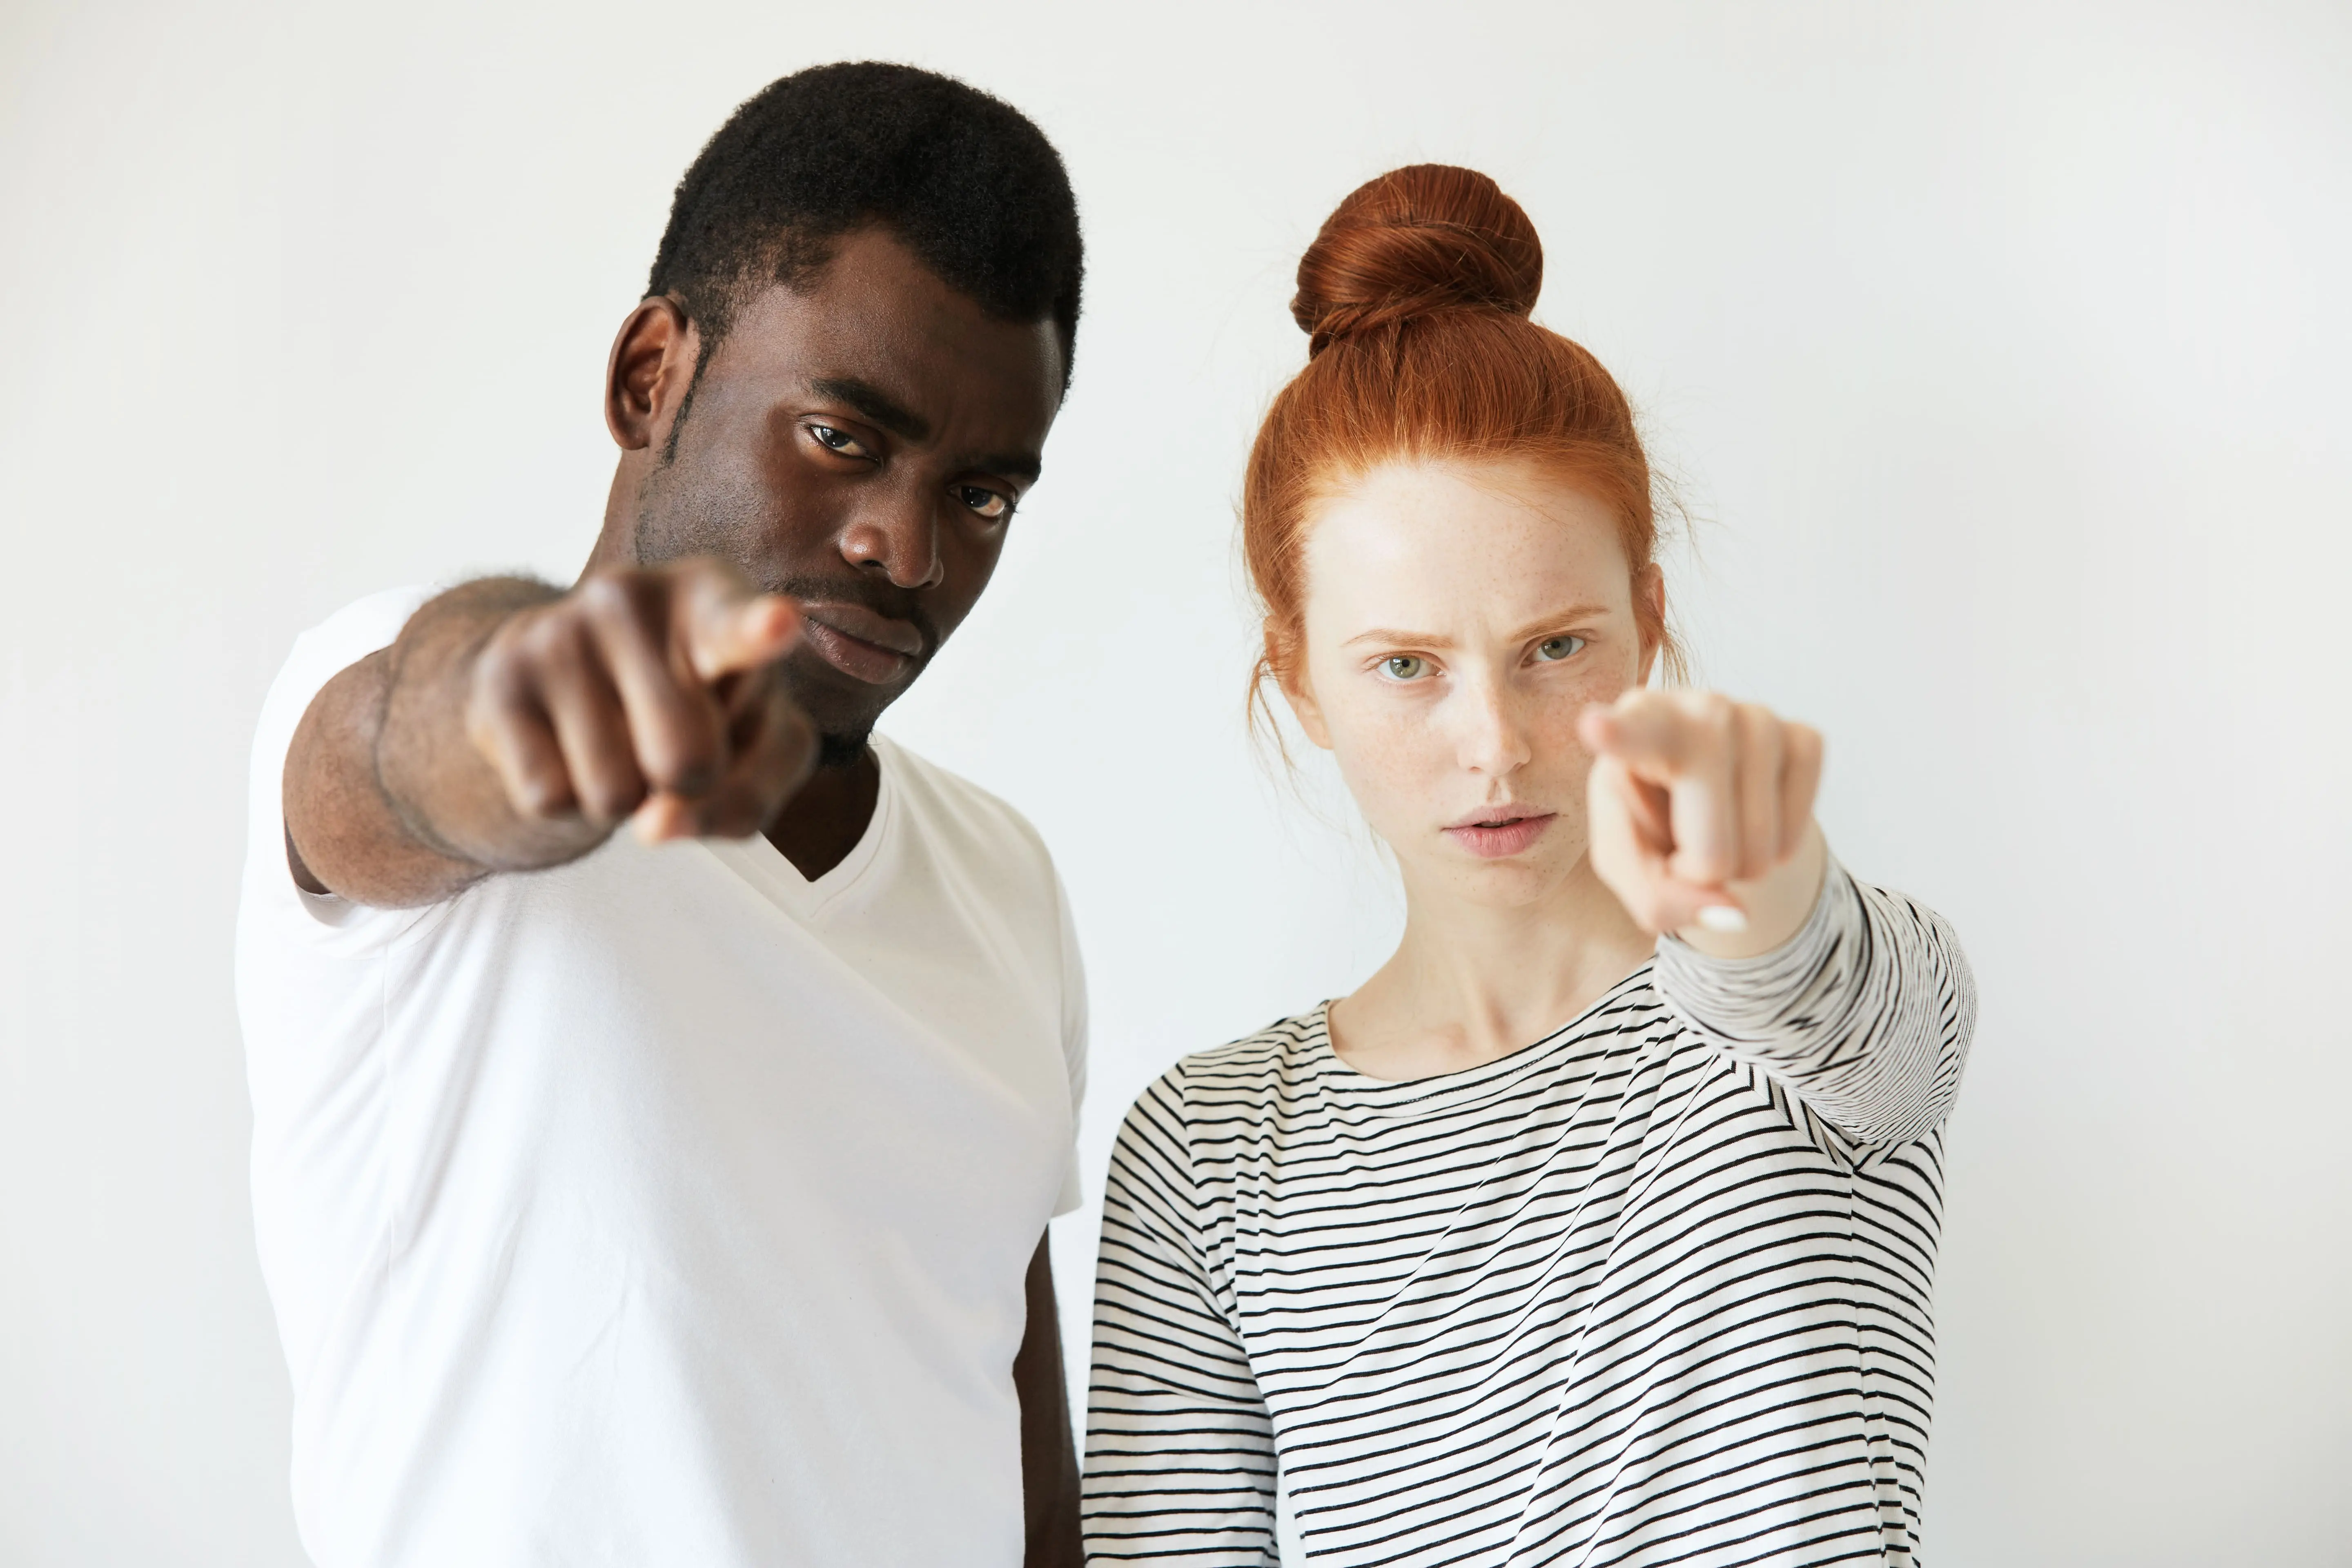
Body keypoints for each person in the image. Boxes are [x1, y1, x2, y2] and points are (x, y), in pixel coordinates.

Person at [236, 63, 1089, 1568]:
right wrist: (541, 705)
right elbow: (395, 761)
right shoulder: (402, 708)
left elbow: (1012, 1429)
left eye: (981, 497)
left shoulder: (1004, 880)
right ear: (652, 379)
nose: (904, 547)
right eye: (842, 437)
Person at [1082, 165, 1976, 1567]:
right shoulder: (1205, 1155)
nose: (1493, 745)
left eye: (1555, 647)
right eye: (1406, 668)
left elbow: (1810, 968)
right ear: (1300, 679)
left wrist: (1765, 890)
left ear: (1648, 620)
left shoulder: (1826, 1029)